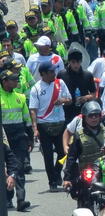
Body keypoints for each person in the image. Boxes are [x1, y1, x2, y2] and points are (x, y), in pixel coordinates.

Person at [29, 61, 71, 193]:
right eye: (51, 72)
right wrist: (35, 128)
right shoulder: (36, 88)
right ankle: (52, 181)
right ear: (43, 74)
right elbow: (33, 110)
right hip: (44, 125)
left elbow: (69, 99)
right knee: (47, 155)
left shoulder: (60, 83)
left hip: (59, 122)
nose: (54, 73)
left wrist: (62, 101)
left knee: (62, 153)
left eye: (54, 71)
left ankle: (57, 171)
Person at [62, 100, 105, 208]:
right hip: (87, 173)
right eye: (91, 116)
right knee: (84, 199)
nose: (94, 118)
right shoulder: (79, 136)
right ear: (84, 117)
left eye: (96, 115)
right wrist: (67, 178)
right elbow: (71, 158)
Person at [0, 66, 32, 211]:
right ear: (4, 81)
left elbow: (27, 119)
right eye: (13, 80)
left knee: (18, 168)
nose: (16, 82)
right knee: (4, 169)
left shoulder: (20, 97)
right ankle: (7, 198)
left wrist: (30, 137)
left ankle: (21, 200)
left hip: (19, 137)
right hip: (3, 139)